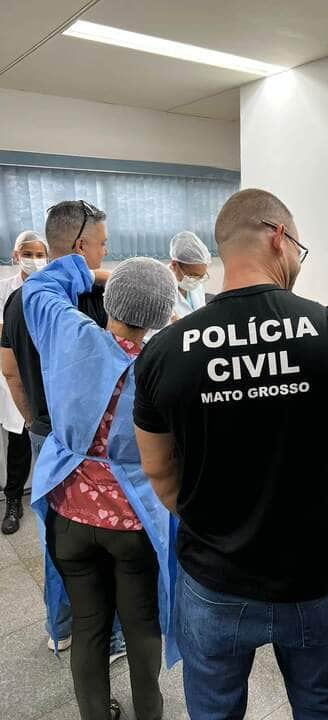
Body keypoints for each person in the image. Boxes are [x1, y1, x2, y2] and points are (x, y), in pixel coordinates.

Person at [134, 188, 328, 719]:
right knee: (319, 702)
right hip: (312, 575)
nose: (296, 260)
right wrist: (324, 515)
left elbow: (156, 469)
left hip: (215, 577)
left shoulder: (162, 352)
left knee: (215, 710)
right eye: (299, 249)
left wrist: (213, 524)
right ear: (278, 238)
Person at [24, 254, 180, 720]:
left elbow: (37, 288)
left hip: (69, 514)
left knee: (89, 624)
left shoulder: (69, 335)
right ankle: (149, 712)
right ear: (162, 315)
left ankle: (94, 713)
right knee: (141, 626)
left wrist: (93, 273)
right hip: (135, 522)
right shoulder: (165, 365)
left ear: (108, 300)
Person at [1, 201, 125, 657]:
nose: (105, 251)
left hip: (44, 433)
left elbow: (10, 371)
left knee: (57, 537)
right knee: (101, 542)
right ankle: (110, 637)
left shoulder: (20, 300)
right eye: (102, 243)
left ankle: (62, 626)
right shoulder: (98, 300)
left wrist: (35, 420)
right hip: (90, 446)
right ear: (79, 245)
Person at [0, 231, 48, 534]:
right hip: (15, 373)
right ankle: (13, 502)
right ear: (16, 255)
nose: (34, 259)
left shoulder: (51, 287)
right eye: (28, 254)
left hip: (45, 375)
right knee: (19, 442)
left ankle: (52, 500)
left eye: (39, 253)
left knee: (47, 440)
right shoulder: (5, 289)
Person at [169, 231, 211, 318]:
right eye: (192, 275)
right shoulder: (160, 290)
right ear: (174, 265)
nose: (197, 280)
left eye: (201, 276)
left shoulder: (197, 283)